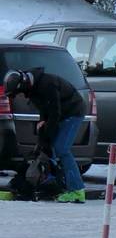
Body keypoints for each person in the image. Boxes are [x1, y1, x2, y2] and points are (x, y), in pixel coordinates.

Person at [3, 68, 86, 203]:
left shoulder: (47, 85)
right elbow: (44, 107)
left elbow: (55, 112)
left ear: (23, 85)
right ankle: (52, 182)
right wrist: (42, 122)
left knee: (61, 149)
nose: (20, 95)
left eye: (19, 93)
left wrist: (47, 136)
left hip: (73, 112)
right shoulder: (32, 87)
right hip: (59, 113)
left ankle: (77, 190)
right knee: (48, 148)